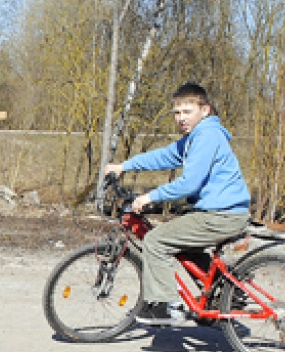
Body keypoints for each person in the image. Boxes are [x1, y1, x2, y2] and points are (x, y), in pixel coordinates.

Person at [104, 82, 251, 327]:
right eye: (177, 113)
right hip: (222, 212)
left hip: (221, 215)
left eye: (187, 112)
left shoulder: (206, 135)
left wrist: (150, 197)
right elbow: (164, 156)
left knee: (156, 240)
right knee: (185, 246)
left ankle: (165, 305)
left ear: (205, 110)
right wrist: (125, 166)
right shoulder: (197, 136)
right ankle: (227, 292)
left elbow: (189, 184)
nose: (181, 118)